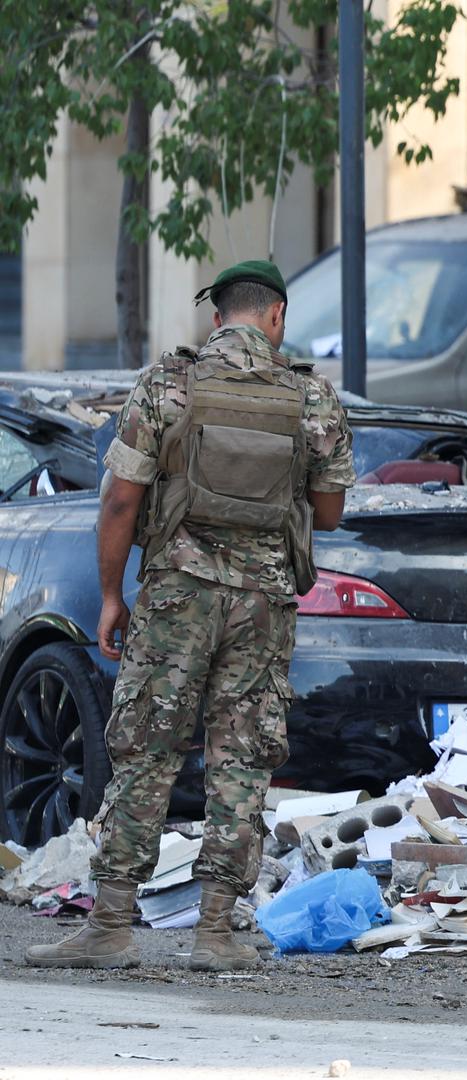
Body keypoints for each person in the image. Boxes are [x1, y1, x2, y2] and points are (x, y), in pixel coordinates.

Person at [24, 259, 355, 971]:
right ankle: (215, 934)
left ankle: (110, 925)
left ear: (217, 318)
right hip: (262, 602)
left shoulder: (167, 385)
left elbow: (120, 501)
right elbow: (328, 510)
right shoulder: (311, 398)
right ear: (277, 318)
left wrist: (112, 595)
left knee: (147, 749)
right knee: (241, 757)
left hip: (177, 593)